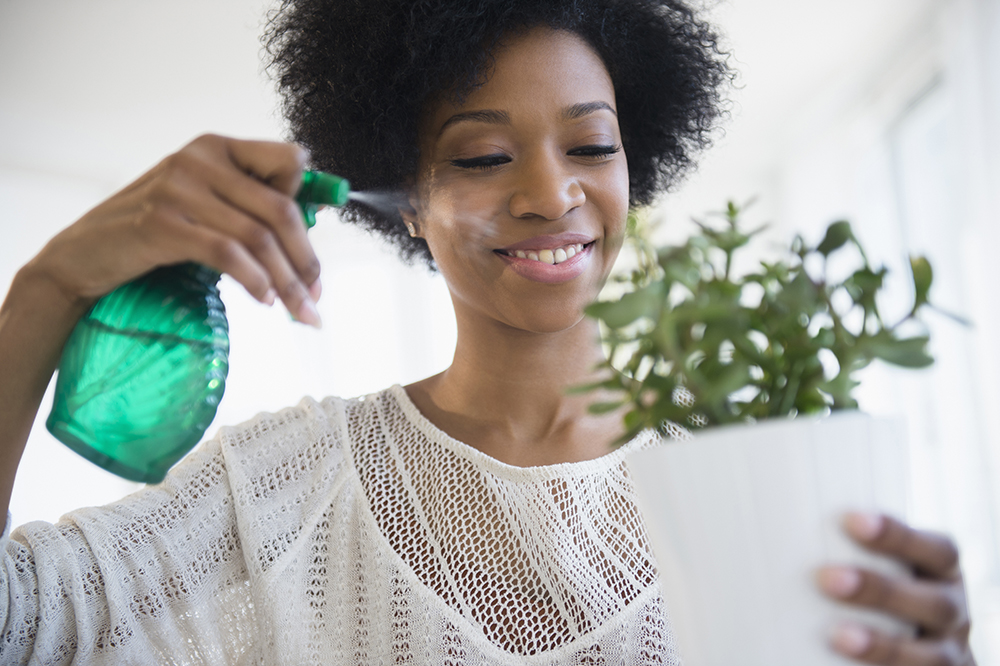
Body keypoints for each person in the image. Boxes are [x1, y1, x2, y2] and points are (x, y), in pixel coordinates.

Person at [0, 0, 975, 663]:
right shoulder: (280, 488)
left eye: (592, 145)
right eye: (481, 155)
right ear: (408, 203)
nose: (552, 194)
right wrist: (48, 285)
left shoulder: (757, 462)